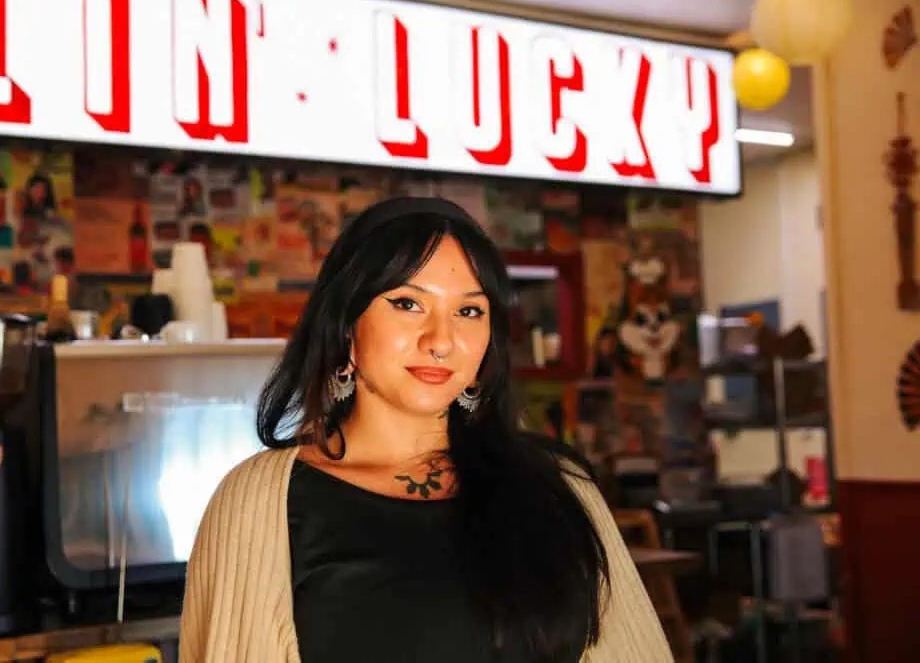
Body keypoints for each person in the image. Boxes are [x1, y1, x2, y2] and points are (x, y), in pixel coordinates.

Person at [179, 197, 672, 663]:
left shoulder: (561, 485)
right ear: (347, 325)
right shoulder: (263, 500)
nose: (441, 341)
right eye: (408, 304)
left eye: (469, 311)